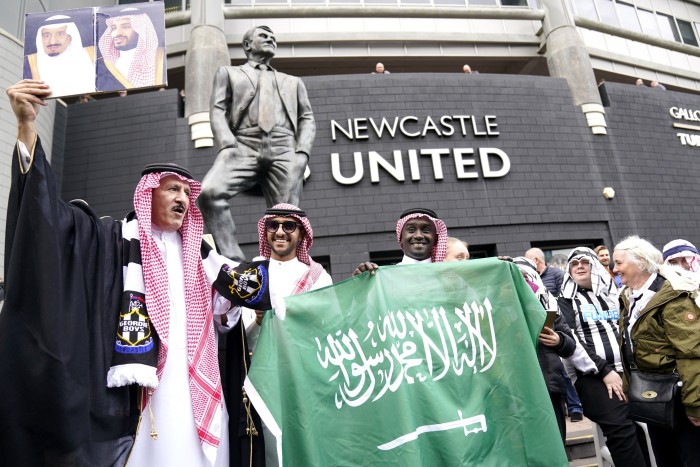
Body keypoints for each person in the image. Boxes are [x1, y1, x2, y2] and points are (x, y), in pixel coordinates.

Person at [0, 80, 270, 467]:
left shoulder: (203, 255)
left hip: (200, 390)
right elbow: (51, 227)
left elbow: (245, 298)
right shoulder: (114, 241)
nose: (181, 199)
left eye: (185, 192)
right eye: (172, 189)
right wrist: (27, 128)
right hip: (140, 398)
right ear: (148, 194)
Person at [201, 25, 316, 261]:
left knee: (286, 216)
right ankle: (232, 260)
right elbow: (217, 110)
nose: (271, 39)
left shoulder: (293, 81)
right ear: (246, 45)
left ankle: (283, 267)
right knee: (209, 192)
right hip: (244, 144)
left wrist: (302, 154)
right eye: (264, 36)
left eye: (273, 37)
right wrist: (227, 145)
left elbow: (307, 118)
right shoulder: (229, 73)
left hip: (285, 147)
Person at [231, 203, 333, 466]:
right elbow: (233, 329)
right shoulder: (251, 272)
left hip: (304, 376)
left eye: (289, 226)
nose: (280, 232)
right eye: (272, 226)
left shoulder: (318, 277)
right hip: (259, 375)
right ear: (264, 232)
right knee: (267, 447)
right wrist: (257, 319)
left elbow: (329, 327)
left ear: (301, 234)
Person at [557, 247, 649, 467]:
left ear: (595, 266)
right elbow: (572, 341)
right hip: (592, 376)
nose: (579, 265)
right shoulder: (565, 301)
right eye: (574, 263)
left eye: (584, 262)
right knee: (621, 428)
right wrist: (604, 370)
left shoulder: (616, 295)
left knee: (647, 426)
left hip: (629, 371)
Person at [613, 236, 700, 467]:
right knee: (666, 459)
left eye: (619, 262)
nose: (614, 268)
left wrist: (695, 404)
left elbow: (691, 353)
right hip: (654, 396)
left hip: (681, 396)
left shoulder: (672, 294)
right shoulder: (629, 295)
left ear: (640, 261)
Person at [513, 257, 576, 441]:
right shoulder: (497, 309)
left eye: (525, 277)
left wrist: (558, 340)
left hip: (549, 389)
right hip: (517, 394)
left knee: (556, 442)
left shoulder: (549, 306)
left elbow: (570, 346)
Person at [353, 208, 447, 275]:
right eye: (411, 230)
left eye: (426, 229)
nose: (418, 235)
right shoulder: (384, 277)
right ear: (400, 238)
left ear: (436, 239)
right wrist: (360, 286)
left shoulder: (447, 278)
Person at [24, 14, 95, 96]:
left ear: (70, 37)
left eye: (60, 34)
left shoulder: (88, 65)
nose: (52, 41)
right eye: (47, 35)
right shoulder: (31, 68)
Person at [97, 8, 166, 89]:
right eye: (113, 28)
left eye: (126, 27)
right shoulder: (105, 65)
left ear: (140, 30)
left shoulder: (158, 59)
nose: (118, 33)